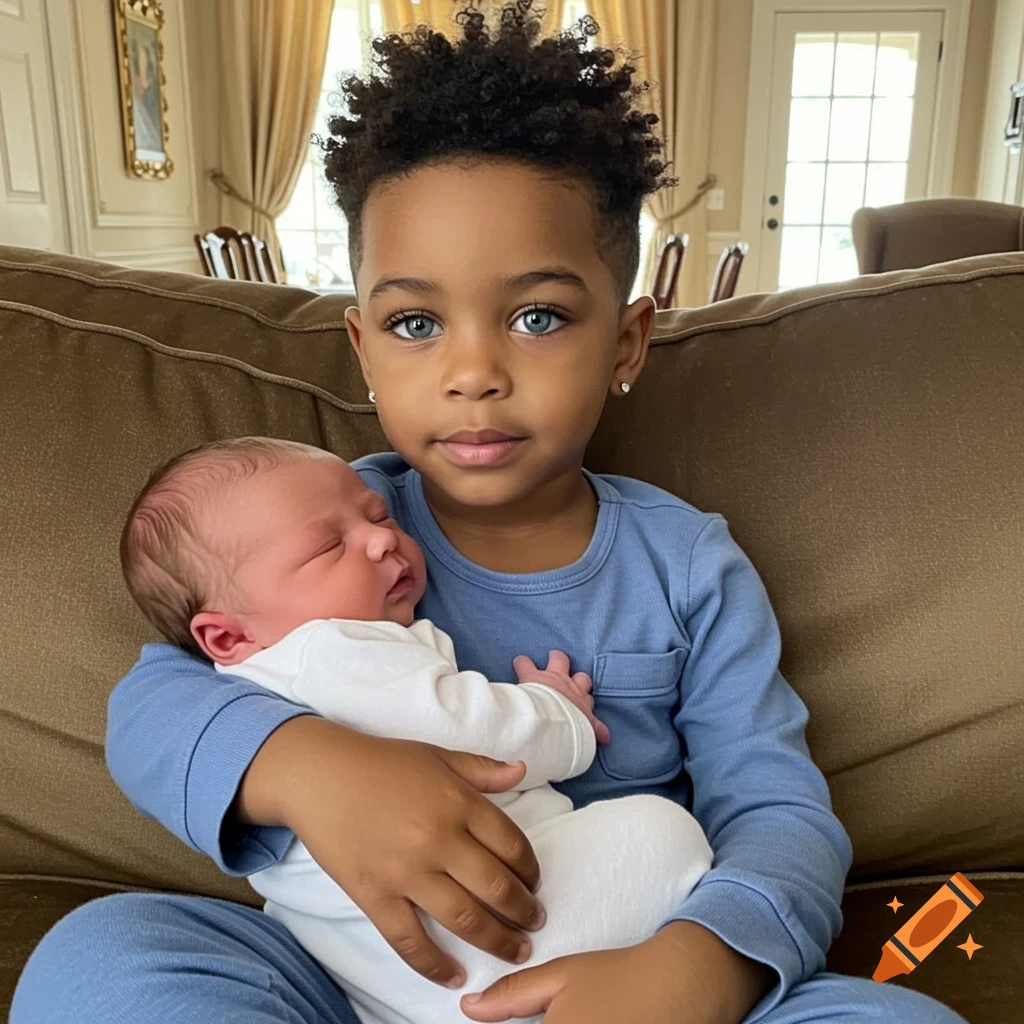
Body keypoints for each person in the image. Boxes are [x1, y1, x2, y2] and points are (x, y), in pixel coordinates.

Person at [11, 3, 966, 1023]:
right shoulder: (336, 518)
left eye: (538, 316)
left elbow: (776, 810)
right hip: (357, 975)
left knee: (898, 1018)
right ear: (363, 347)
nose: (473, 372)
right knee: (99, 955)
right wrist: (300, 768)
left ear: (628, 340)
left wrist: (701, 965)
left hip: (625, 961)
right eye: (415, 323)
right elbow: (155, 702)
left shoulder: (688, 565)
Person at [117, 435, 713, 1024]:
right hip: (482, 937)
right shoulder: (331, 650)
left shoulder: (270, 650)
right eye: (329, 547)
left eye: (377, 514)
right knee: (664, 835)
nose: (381, 537)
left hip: (389, 977)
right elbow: (478, 734)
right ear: (226, 638)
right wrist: (562, 716)